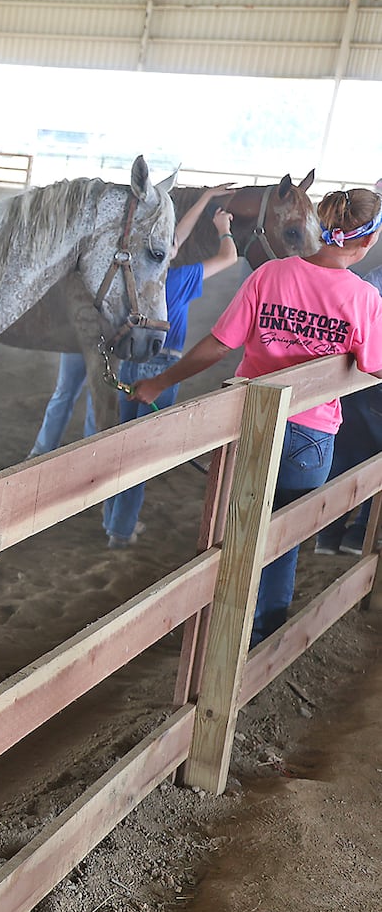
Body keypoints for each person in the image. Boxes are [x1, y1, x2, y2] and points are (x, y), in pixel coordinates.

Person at [132, 188, 382, 645]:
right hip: (310, 435)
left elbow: (220, 343)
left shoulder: (271, 274)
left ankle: (217, 620)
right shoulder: (364, 298)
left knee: (235, 527)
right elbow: (374, 363)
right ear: (367, 241)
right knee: (282, 538)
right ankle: (264, 629)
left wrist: (160, 382)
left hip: (245, 419)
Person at [103, 187, 238, 547]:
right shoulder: (180, 278)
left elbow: (176, 238)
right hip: (161, 366)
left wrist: (205, 197)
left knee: (123, 441)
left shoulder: (145, 275)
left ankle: (113, 519)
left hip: (131, 361)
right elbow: (230, 257)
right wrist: (223, 226)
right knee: (141, 452)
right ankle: (121, 529)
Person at [316, 263, 382, 555]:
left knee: (346, 455)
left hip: (356, 376)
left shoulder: (373, 279)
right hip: (376, 376)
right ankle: (359, 532)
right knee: (377, 457)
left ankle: (329, 533)